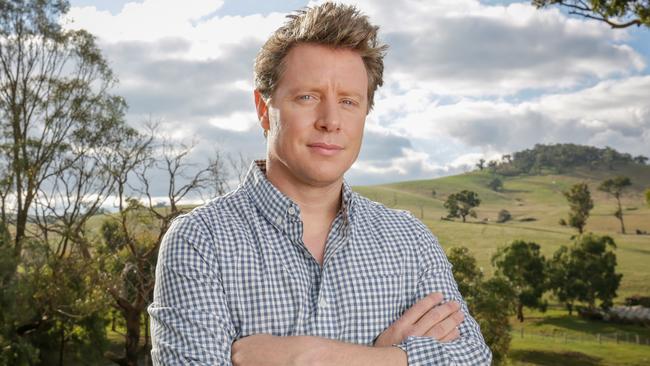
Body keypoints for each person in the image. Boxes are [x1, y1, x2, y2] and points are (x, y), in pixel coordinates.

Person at [148, 2, 492, 365]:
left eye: (348, 101)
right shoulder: (201, 241)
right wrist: (394, 356)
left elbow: (471, 358)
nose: (330, 120)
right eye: (308, 97)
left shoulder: (411, 241)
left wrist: (311, 355)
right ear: (264, 110)